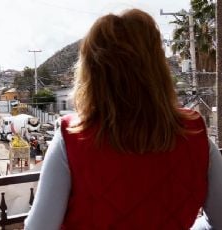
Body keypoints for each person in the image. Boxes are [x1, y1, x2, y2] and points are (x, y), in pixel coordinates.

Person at [24, 9, 222, 230]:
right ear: (158, 68)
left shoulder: (72, 138)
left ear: (92, 72)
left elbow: (39, 227)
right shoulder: (195, 135)